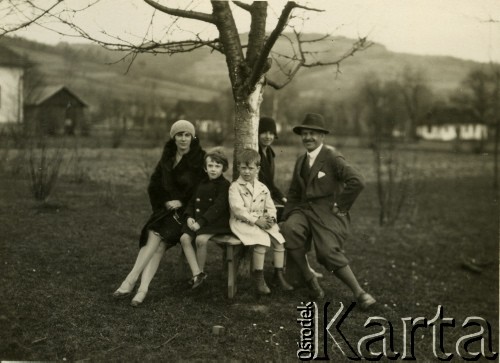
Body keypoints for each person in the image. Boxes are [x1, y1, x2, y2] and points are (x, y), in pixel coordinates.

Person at [280, 113, 376, 309]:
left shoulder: (332, 157)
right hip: (304, 210)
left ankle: (360, 293)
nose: (308, 137)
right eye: (304, 133)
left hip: (327, 212)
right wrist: (287, 216)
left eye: (313, 133)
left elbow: (357, 181)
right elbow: (294, 192)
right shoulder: (301, 160)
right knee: (288, 230)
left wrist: (341, 206)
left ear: (322, 136)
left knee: (326, 252)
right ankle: (309, 279)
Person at [113, 120, 206, 306]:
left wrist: (181, 202)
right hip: (165, 210)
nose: (183, 139)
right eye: (179, 135)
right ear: (174, 137)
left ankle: (131, 279)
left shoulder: (199, 158)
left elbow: (202, 189)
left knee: (156, 234)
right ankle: (142, 290)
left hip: (186, 214)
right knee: (157, 242)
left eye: (187, 135)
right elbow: (154, 185)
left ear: (192, 137)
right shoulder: (168, 156)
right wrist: (165, 202)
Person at [258, 116, 323, 279]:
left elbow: (270, 184)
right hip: (258, 203)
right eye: (264, 132)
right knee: (292, 221)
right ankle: (294, 267)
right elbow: (264, 184)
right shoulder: (257, 154)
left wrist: (283, 198)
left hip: (268, 199)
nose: (268, 136)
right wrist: (280, 199)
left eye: (271, 133)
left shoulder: (270, 153)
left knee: (296, 217)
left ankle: (299, 267)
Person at [228, 148, 294, 295]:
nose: (246, 172)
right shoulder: (235, 187)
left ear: (257, 169)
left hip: (262, 220)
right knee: (261, 241)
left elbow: (270, 206)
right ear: (238, 167)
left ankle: (278, 274)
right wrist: (257, 220)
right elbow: (238, 209)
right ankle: (259, 277)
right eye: (243, 168)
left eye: (250, 168)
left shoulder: (262, 187)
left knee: (279, 240)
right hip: (243, 222)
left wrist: (271, 219)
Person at [180, 147, 232, 289]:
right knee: (184, 238)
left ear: (224, 168)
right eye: (210, 166)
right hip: (197, 220)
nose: (213, 169)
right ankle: (197, 274)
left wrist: (200, 223)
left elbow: (217, 207)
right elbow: (191, 202)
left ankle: (200, 271)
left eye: (217, 166)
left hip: (215, 222)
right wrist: (189, 217)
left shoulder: (224, 185)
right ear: (205, 167)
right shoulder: (201, 183)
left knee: (200, 240)